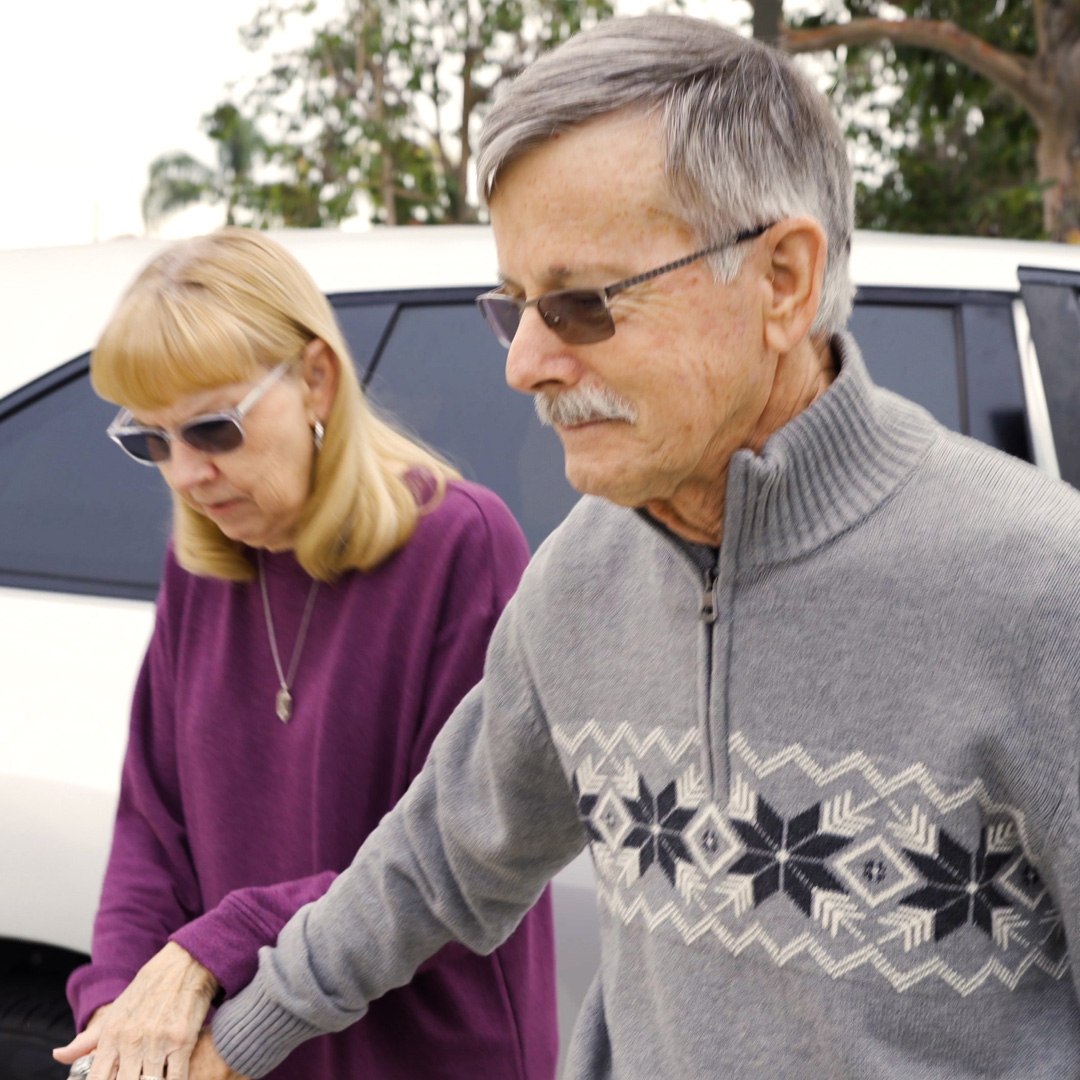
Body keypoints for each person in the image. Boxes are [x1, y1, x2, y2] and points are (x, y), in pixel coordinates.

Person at [100, 14, 1080, 1079]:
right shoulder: (581, 578)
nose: (524, 363)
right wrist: (236, 1041)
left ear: (783, 282)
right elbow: (440, 859)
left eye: (580, 304)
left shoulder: (1041, 592)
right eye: (516, 306)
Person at [52, 228, 557, 1080]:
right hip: (245, 1056)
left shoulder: (459, 543)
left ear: (317, 380)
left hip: (424, 1060)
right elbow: (151, 826)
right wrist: (117, 1010)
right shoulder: (200, 566)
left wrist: (212, 949)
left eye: (214, 429)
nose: (185, 474)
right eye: (152, 441)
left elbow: (455, 859)